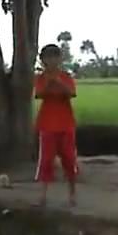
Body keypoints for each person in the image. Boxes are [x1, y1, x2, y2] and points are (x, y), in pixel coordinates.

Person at [34, 44, 78, 207]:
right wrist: (49, 83)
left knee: (69, 159)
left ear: (60, 59)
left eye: (54, 57)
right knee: (46, 160)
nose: (51, 61)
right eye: (47, 58)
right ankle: (43, 195)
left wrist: (58, 82)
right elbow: (39, 94)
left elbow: (71, 93)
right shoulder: (40, 78)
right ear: (43, 60)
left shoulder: (66, 76)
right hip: (47, 124)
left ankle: (72, 194)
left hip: (66, 124)